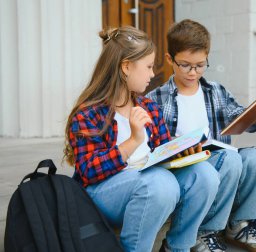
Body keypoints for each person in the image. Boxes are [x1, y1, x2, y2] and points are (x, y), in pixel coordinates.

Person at [64, 26, 221, 252]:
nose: (151, 74)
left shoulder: (148, 107)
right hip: (104, 194)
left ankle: (177, 247)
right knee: (160, 183)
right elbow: (88, 171)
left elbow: (163, 152)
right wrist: (133, 141)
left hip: (151, 186)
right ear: (126, 67)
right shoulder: (88, 114)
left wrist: (183, 151)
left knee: (205, 175)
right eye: (148, 67)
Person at [146, 19, 256, 252]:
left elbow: (242, 119)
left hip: (219, 160)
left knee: (254, 159)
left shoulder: (216, 91)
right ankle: (204, 233)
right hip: (187, 169)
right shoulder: (157, 99)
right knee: (230, 160)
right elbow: (153, 147)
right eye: (185, 65)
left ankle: (237, 226)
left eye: (200, 65)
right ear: (170, 59)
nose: (193, 72)